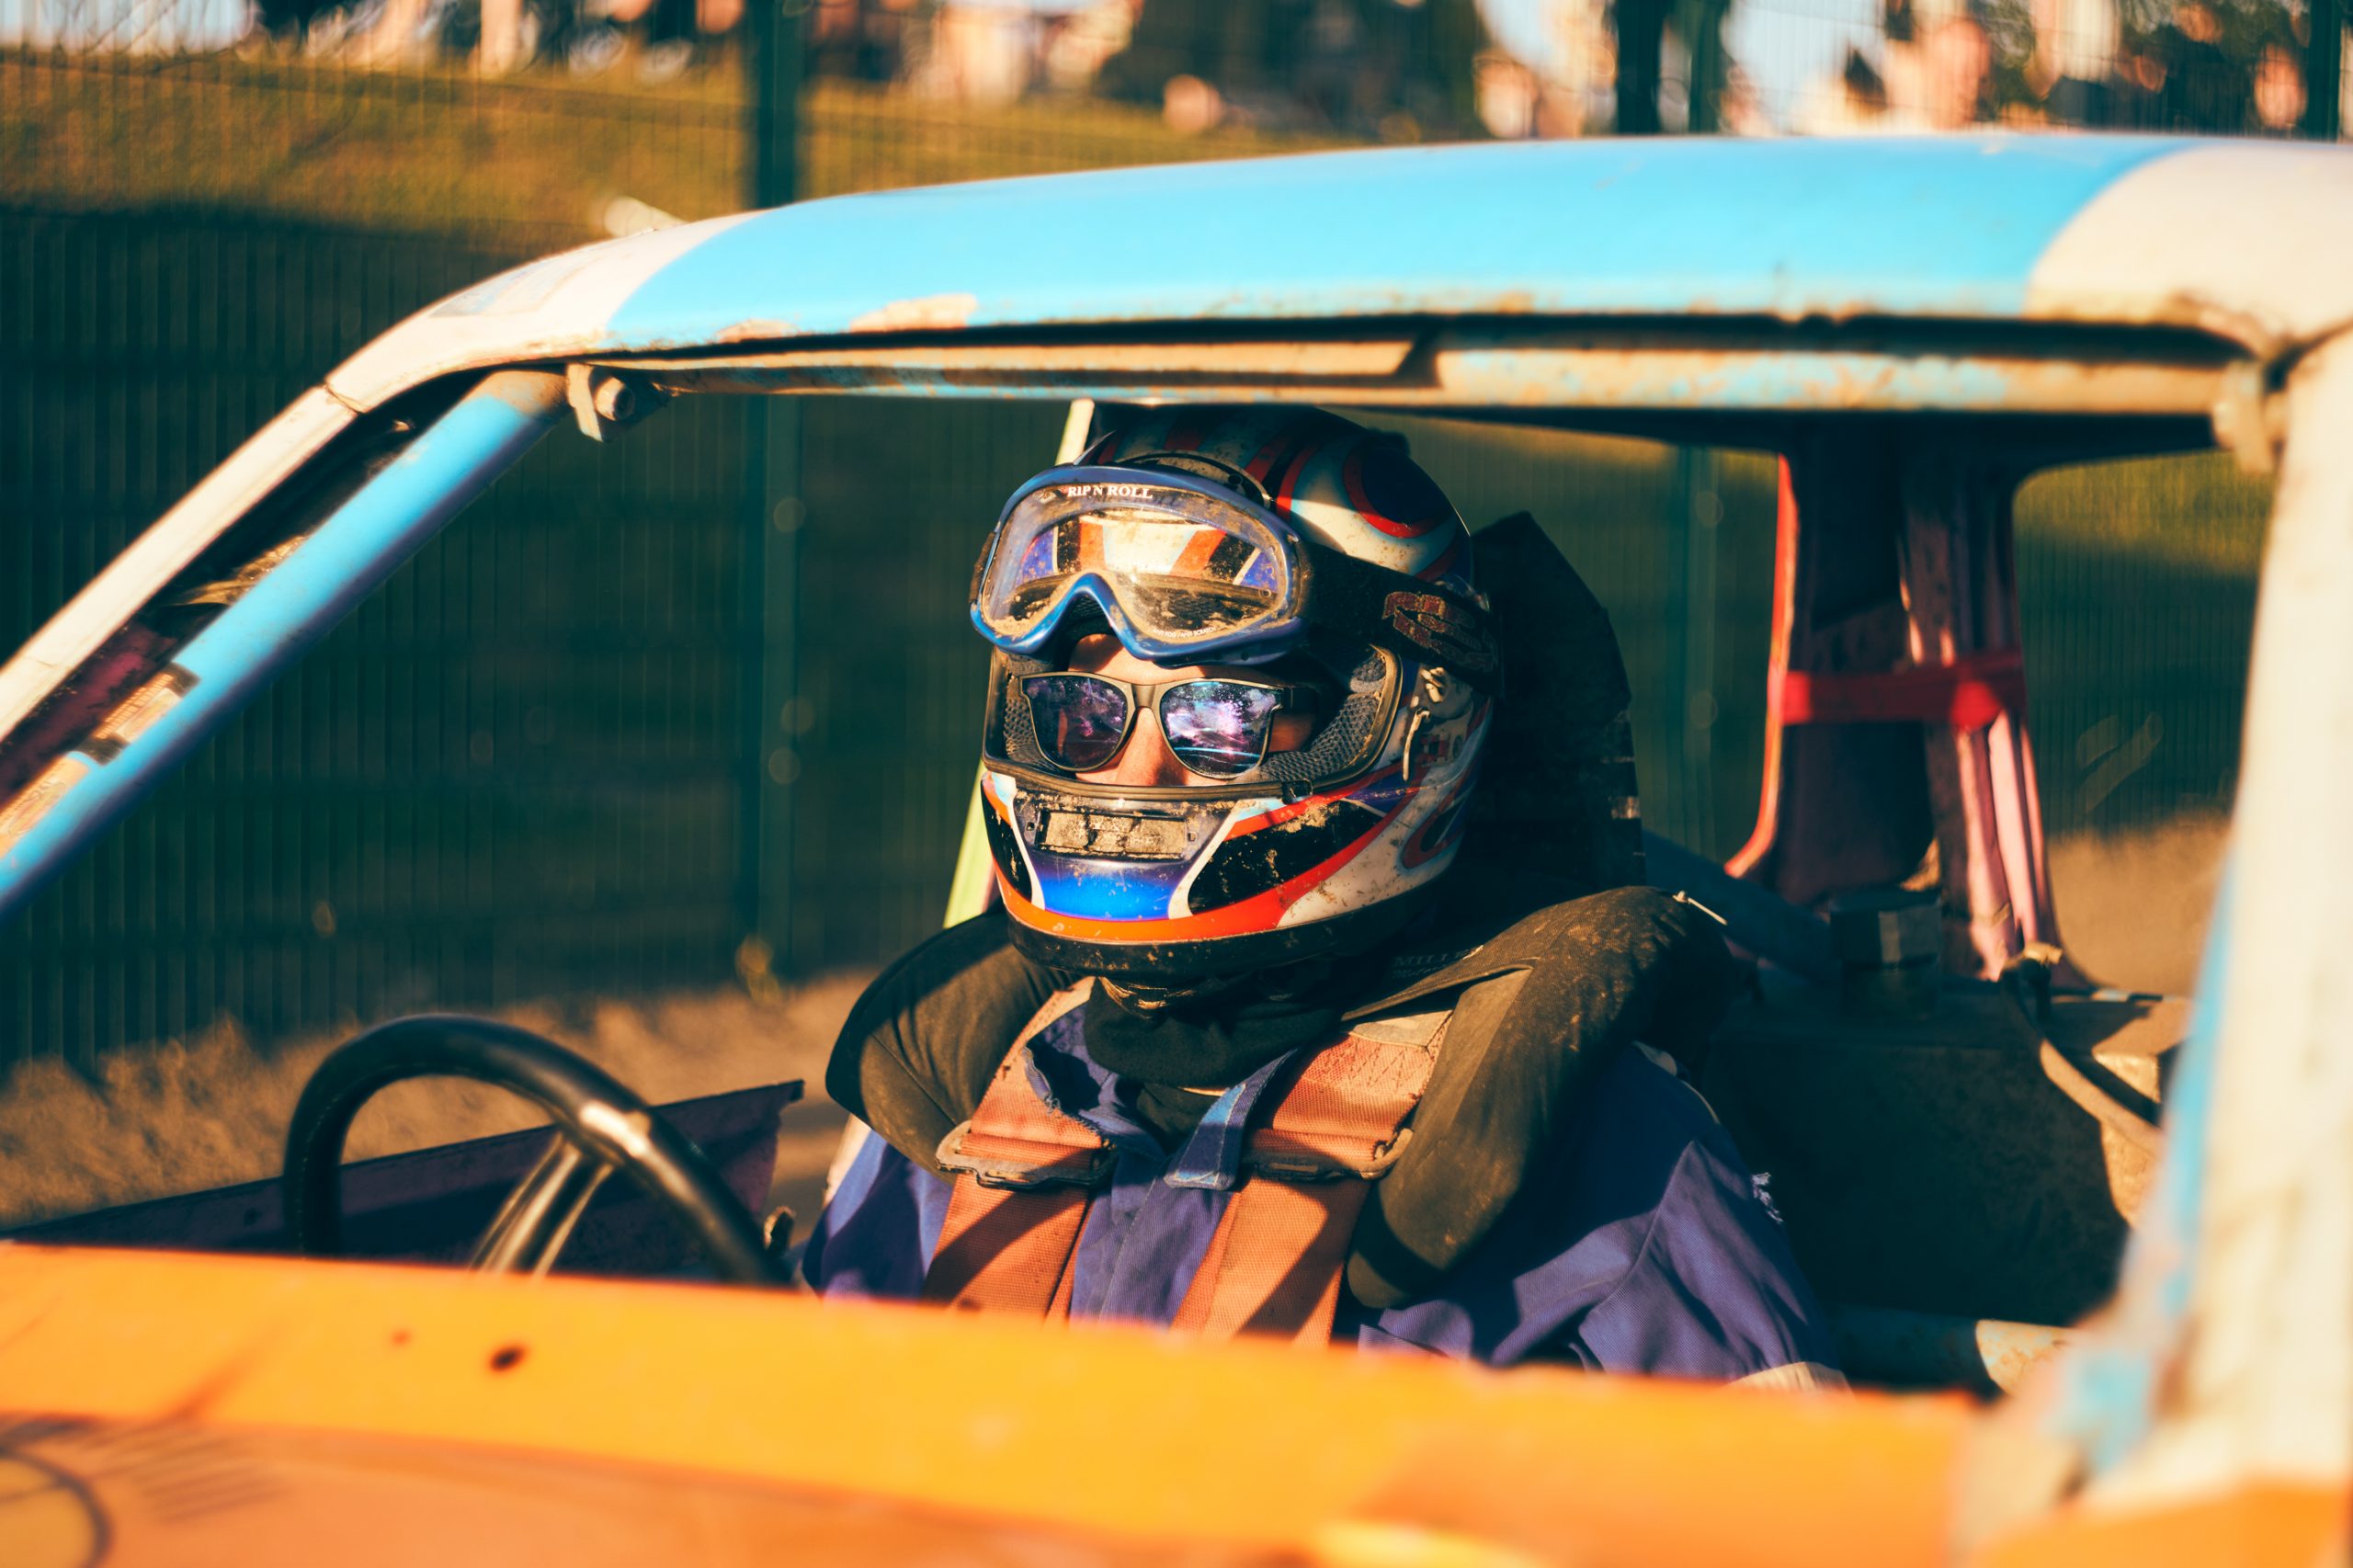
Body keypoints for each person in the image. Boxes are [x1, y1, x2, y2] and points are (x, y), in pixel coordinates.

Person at [803, 407, 1841, 1385]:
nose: (1135, 773)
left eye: (1223, 711)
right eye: (1082, 708)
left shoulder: (1611, 1146)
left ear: (1412, 720)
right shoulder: (959, 1092)